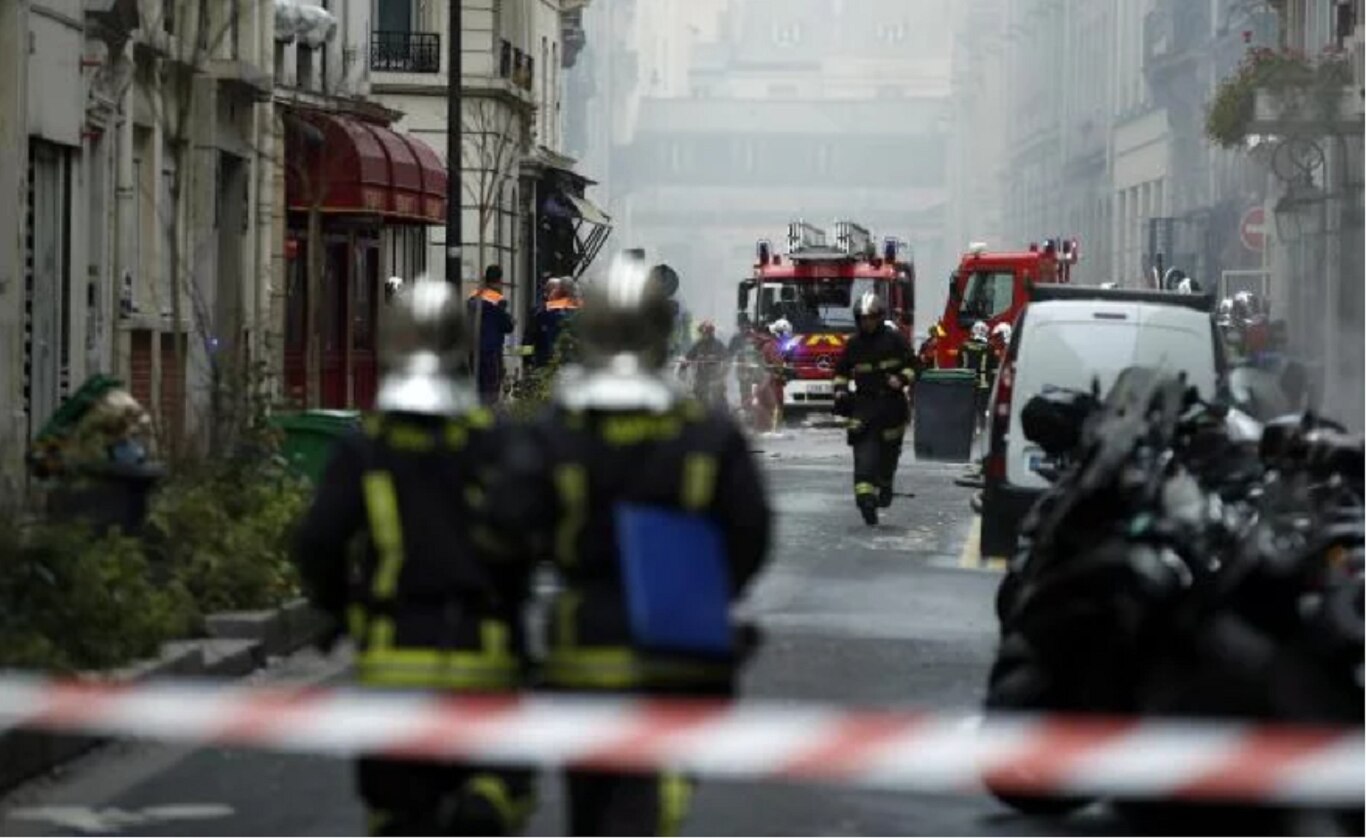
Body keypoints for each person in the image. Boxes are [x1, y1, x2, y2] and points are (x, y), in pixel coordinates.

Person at [490, 255, 771, 835]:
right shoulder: (706, 435)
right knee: (659, 777)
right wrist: (703, 594)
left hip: (583, 647)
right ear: (662, 334)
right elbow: (751, 535)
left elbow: (507, 530)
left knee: (590, 800)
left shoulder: (554, 434)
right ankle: (660, 795)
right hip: (684, 650)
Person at [292, 279, 533, 836]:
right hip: (483, 644)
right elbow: (528, 533)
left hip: (392, 647)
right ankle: (488, 796)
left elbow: (319, 541)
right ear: (463, 346)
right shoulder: (492, 439)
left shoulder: (366, 445)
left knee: (397, 808)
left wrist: (341, 609)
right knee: (499, 780)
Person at [832, 293, 917, 526]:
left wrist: (901, 379)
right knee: (863, 456)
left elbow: (914, 365)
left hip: (892, 406)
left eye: (870, 318)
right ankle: (865, 499)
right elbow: (840, 372)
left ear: (879, 318)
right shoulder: (853, 345)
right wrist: (840, 390)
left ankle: (885, 484)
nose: (866, 322)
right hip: (863, 407)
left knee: (888, 455)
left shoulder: (895, 340)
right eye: (862, 318)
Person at [469, 264, 515, 404]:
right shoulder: (497, 300)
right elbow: (507, 326)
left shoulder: (473, 296)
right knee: (491, 389)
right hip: (491, 351)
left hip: (473, 349)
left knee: (477, 387)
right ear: (499, 280)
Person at [680, 320, 730, 407]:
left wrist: (722, 375)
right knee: (699, 400)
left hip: (715, 379)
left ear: (710, 333)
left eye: (704, 333)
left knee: (719, 401)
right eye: (702, 333)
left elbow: (727, 360)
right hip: (701, 379)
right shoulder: (698, 344)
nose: (703, 335)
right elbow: (689, 357)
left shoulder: (718, 345)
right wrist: (683, 365)